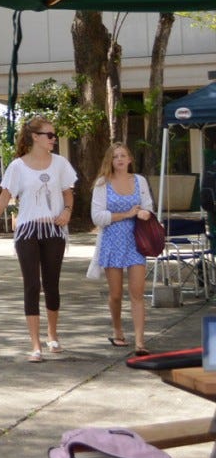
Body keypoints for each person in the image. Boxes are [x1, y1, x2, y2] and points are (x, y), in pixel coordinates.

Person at [0, 116, 77, 363]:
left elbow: (68, 193)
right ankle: (35, 345)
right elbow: (3, 198)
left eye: (54, 135)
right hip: (27, 231)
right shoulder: (17, 167)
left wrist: (67, 211)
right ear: (35, 137)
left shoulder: (60, 164)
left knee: (51, 284)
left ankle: (52, 334)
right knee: (32, 285)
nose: (54, 139)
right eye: (50, 135)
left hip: (53, 230)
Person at [88, 142, 154, 356]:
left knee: (138, 292)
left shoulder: (139, 181)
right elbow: (97, 217)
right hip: (112, 241)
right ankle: (117, 330)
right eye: (115, 156)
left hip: (136, 241)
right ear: (110, 160)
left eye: (123, 155)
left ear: (129, 159)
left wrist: (144, 213)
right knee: (116, 294)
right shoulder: (102, 184)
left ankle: (140, 342)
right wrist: (125, 214)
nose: (119, 159)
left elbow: (148, 207)